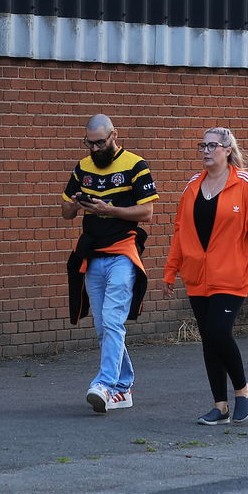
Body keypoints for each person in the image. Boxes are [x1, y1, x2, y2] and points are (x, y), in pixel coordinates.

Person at [162, 126, 248, 425]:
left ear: (228, 150)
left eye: (213, 146)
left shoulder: (246, 185)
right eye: (203, 145)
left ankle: (243, 390)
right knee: (208, 339)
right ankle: (220, 405)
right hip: (197, 275)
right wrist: (170, 270)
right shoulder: (191, 187)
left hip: (232, 274)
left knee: (218, 331)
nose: (206, 151)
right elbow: (180, 231)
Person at [61, 113, 159, 414]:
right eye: (89, 143)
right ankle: (123, 385)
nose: (94, 149)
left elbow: (147, 212)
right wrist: (78, 203)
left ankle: (104, 384)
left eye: (100, 143)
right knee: (103, 326)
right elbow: (65, 212)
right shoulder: (83, 167)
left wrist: (110, 210)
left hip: (122, 252)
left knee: (113, 320)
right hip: (93, 254)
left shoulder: (135, 165)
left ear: (114, 135)